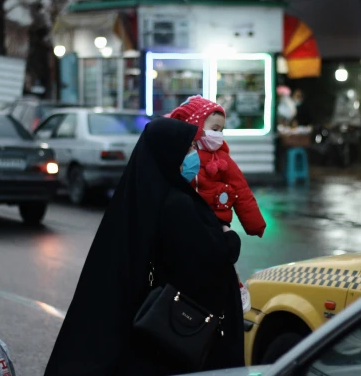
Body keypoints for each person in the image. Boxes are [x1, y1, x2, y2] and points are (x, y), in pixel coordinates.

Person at [45, 118, 243, 376]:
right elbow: (212, 255)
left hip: (147, 332)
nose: (195, 154)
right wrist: (229, 236)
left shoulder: (145, 195)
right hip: (178, 331)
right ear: (169, 153)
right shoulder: (177, 203)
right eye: (189, 148)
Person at [168, 95, 266, 237]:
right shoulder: (177, 154)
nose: (218, 135)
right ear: (195, 126)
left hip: (215, 222)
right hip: (182, 220)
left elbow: (241, 190)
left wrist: (255, 224)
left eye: (221, 130)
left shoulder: (223, 158)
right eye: (214, 129)